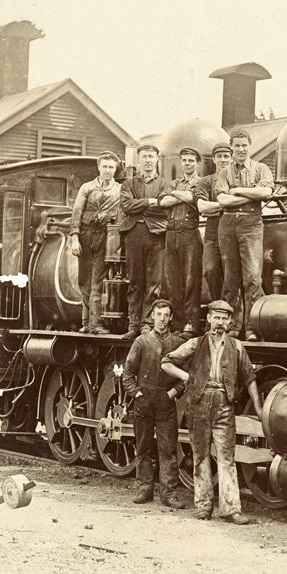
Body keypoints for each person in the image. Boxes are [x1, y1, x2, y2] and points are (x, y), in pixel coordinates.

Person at [161, 300, 262, 524]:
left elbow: (250, 378)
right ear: (208, 319)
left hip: (224, 404)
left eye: (224, 319)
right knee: (201, 456)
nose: (220, 322)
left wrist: (259, 406)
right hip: (198, 402)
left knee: (227, 458)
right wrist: (186, 377)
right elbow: (166, 362)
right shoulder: (195, 344)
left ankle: (231, 509)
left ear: (228, 322)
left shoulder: (236, 346)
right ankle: (204, 506)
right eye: (216, 317)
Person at [121, 299, 186, 509]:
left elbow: (184, 377)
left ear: (170, 318)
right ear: (152, 316)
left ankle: (169, 495)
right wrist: (137, 393)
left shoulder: (176, 343)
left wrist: (173, 393)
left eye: (166, 315)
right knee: (143, 447)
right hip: (144, 400)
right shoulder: (141, 342)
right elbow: (127, 374)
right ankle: (144, 489)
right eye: (158, 314)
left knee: (168, 449)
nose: (162, 319)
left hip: (165, 401)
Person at [214, 129, 274, 341]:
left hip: (251, 224)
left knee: (252, 278)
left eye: (244, 145)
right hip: (227, 224)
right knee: (231, 279)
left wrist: (236, 191)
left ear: (250, 146)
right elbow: (223, 201)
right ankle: (232, 328)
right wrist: (251, 193)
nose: (240, 149)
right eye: (236, 145)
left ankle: (251, 328)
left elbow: (266, 193)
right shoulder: (223, 173)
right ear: (231, 147)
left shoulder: (261, 168)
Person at [69, 151, 122, 334]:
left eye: (111, 167)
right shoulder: (86, 188)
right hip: (85, 235)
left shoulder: (119, 190)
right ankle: (86, 323)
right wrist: (75, 238)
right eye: (105, 167)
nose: (108, 170)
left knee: (97, 281)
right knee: (84, 280)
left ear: (115, 169)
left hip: (105, 237)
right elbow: (77, 213)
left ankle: (95, 324)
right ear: (99, 167)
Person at [119, 143, 169, 339]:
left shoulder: (165, 184)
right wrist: (149, 202)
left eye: (151, 156)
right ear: (138, 160)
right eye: (144, 156)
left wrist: (139, 206)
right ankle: (134, 325)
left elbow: (164, 207)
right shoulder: (128, 184)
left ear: (157, 159)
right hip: (134, 235)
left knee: (154, 283)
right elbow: (126, 206)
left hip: (157, 235)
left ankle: (148, 324)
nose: (148, 160)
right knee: (135, 281)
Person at [159, 147, 203, 335]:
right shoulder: (174, 182)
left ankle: (191, 324)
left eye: (191, 160)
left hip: (190, 235)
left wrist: (176, 194)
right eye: (184, 160)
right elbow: (162, 202)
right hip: (171, 234)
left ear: (198, 163)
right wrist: (182, 195)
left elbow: (193, 198)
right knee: (173, 282)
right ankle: (177, 324)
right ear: (181, 162)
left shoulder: (201, 183)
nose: (187, 163)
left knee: (191, 281)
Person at [195, 142, 233, 303]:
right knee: (210, 270)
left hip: (233, 234)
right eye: (219, 157)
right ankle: (218, 306)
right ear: (214, 159)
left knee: (233, 274)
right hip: (212, 235)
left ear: (231, 159)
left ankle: (234, 314)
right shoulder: (206, 182)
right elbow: (202, 207)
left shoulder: (237, 180)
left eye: (226, 156)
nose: (223, 160)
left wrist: (214, 208)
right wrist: (228, 204)